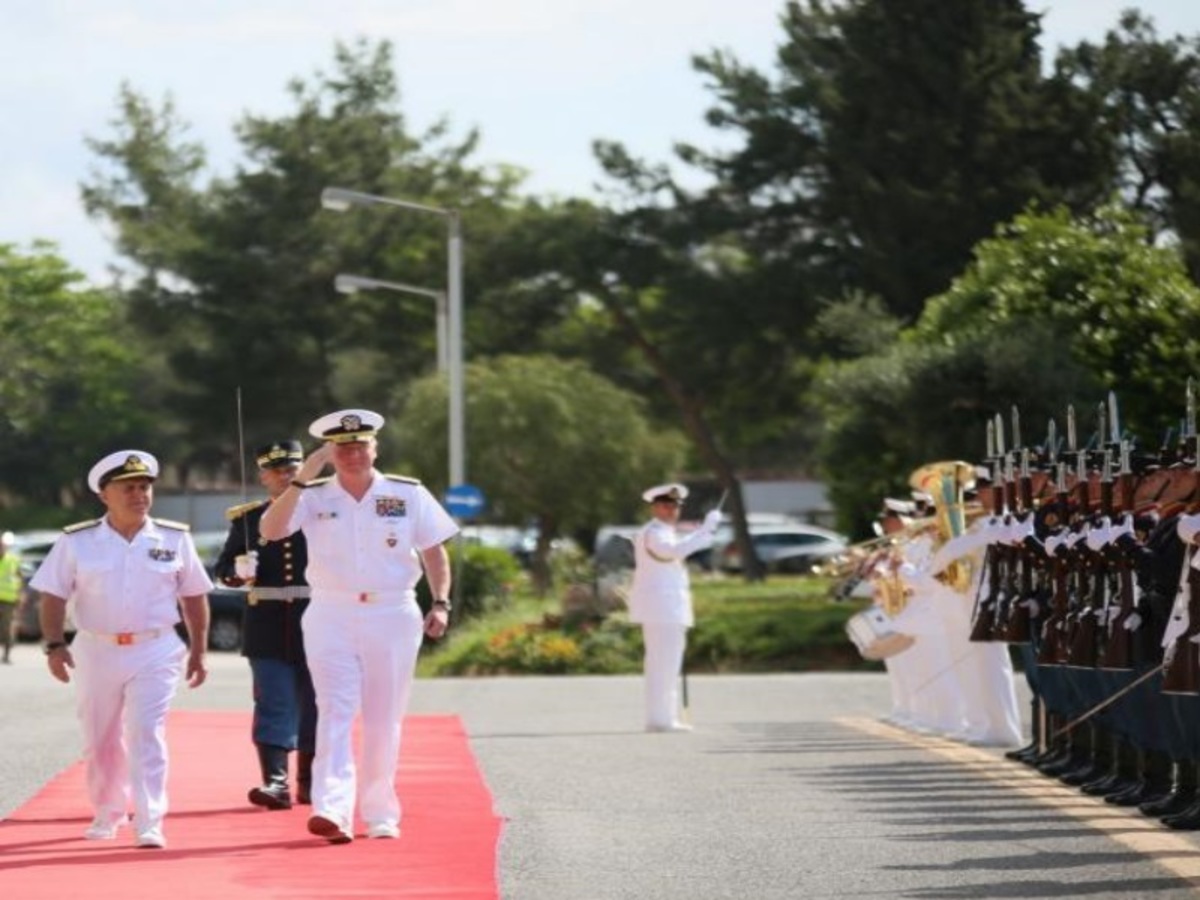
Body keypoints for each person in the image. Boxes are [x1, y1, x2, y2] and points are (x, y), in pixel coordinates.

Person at [259, 409, 458, 844]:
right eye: (342, 447)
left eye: (360, 445)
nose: (352, 454)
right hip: (331, 611)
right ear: (330, 452)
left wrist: (440, 601)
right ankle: (333, 809)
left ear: (375, 447)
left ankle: (380, 812)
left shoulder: (408, 493)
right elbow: (271, 531)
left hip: (392, 611)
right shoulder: (312, 494)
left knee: (384, 718)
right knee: (335, 710)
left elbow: (434, 551)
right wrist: (303, 476)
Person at [30, 450, 211, 849]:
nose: (139, 494)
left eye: (144, 487)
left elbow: (195, 597)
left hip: (156, 648)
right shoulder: (77, 541)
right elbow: (53, 596)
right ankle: (108, 811)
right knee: (100, 738)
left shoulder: (173, 537)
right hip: (96, 649)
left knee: (147, 731)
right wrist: (54, 645)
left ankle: (149, 819)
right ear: (104, 495)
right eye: (127, 488)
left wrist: (198, 650)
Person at [214, 439, 318, 811]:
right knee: (272, 700)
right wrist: (238, 575)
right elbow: (223, 568)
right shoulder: (247, 519)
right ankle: (276, 782)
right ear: (264, 477)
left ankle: (311, 781)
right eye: (277, 471)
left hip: (317, 618)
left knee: (316, 702)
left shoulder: (322, 511)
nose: (286, 475)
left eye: (292, 468)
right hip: (267, 622)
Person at [626, 483, 721, 733]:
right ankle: (661, 719)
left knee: (666, 664)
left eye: (675, 506)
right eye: (666, 505)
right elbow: (674, 552)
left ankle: (662, 717)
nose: (671, 510)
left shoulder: (663, 531)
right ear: (654, 508)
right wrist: (706, 529)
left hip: (666, 608)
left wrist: (703, 533)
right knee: (664, 664)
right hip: (661, 609)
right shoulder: (654, 533)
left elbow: (679, 550)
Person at [0, 531, 22, 664]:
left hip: (9, 599)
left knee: (6, 628)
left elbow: (19, 577)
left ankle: (6, 655)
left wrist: (20, 595)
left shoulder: (13, 559)